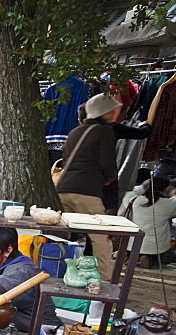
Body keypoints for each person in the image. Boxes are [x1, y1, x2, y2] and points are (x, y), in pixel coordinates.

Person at [55, 93, 122, 279]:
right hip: (87, 191)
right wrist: (109, 178)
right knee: (100, 237)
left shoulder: (75, 132)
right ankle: (105, 277)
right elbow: (107, 161)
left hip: (63, 187)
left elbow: (66, 158)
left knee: (61, 236)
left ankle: (56, 272)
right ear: (105, 112)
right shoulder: (105, 131)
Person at [120, 176, 176, 265]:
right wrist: (173, 193)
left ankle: (134, 257)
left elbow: (130, 193)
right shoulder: (167, 204)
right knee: (168, 256)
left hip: (133, 242)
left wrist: (142, 186)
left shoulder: (135, 200)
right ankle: (150, 259)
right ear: (166, 188)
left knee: (136, 246)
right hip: (157, 246)